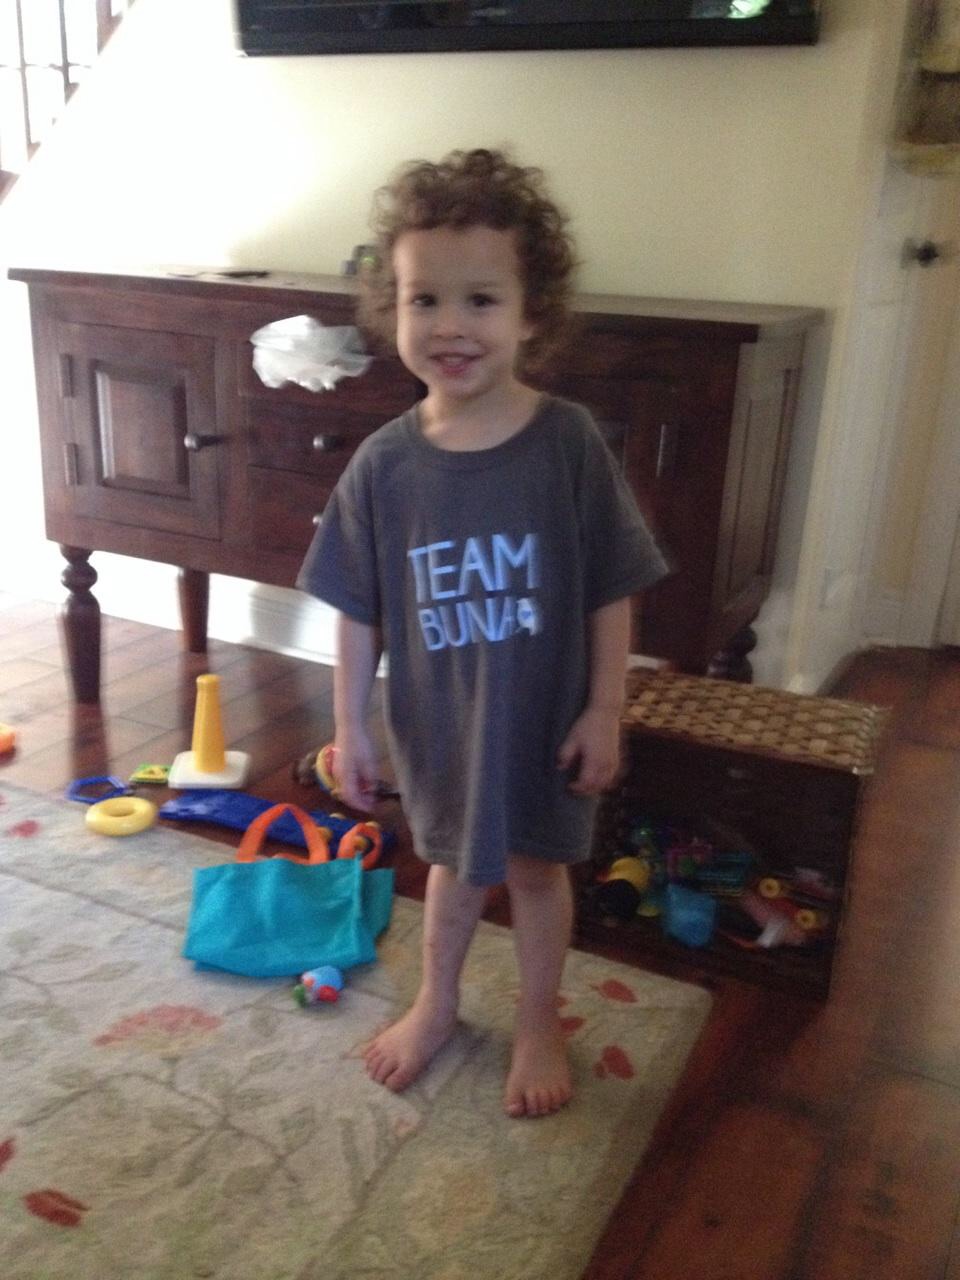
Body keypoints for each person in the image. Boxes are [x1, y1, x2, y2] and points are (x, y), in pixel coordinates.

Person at [298, 148, 667, 1118]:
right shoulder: (383, 466)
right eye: (424, 300)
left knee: (540, 872)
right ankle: (437, 1002)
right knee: (453, 872)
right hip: (442, 728)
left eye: (481, 300)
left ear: (530, 313)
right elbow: (357, 608)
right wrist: (352, 725)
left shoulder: (568, 442)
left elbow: (613, 586)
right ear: (392, 310)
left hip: (544, 723)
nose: (451, 325)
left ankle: (540, 1017)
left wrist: (605, 709)